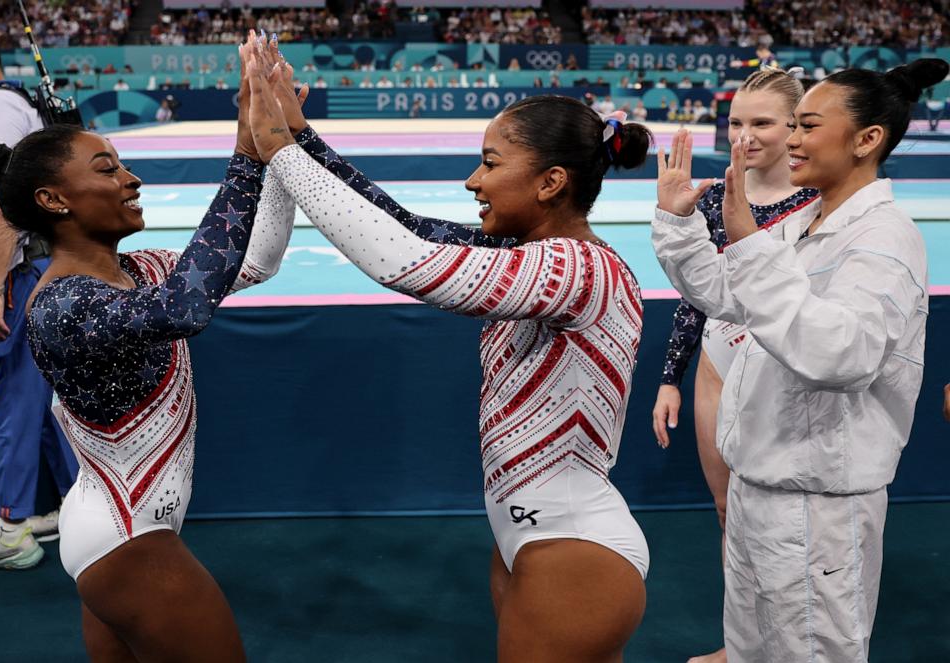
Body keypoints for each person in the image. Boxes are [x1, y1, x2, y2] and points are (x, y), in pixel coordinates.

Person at [249, 43, 651, 662]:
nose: (473, 181)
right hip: (535, 533)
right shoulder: (528, 254)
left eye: (490, 163)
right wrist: (303, 140)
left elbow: (403, 260)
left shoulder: (576, 268)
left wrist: (276, 151)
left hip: (573, 544)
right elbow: (407, 226)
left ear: (551, 182)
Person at [0, 40, 296, 659]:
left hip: (120, 523)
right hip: (126, 536)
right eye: (107, 169)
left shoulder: (143, 269)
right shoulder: (63, 305)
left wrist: (284, 152)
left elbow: (258, 259)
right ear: (53, 200)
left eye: (122, 164)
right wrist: (247, 155)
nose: (132, 179)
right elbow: (186, 309)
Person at [652, 58, 947, 661]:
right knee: (751, 648)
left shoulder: (885, 239)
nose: (791, 139)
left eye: (807, 125)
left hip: (818, 504)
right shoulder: (809, 224)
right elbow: (724, 298)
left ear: (867, 140)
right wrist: (681, 225)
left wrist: (753, 246)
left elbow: (839, 355)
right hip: (760, 483)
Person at [650, 68, 819, 663]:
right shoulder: (718, 198)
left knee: (781, 520)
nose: (745, 136)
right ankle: (740, 645)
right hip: (716, 372)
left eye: (762, 123)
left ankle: (790, 644)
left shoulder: (819, 203)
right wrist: (672, 375)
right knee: (729, 516)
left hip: (780, 371)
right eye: (736, 123)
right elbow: (701, 293)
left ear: (797, 128)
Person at [0, 15, 78, 571]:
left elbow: (2, 198)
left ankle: (11, 529)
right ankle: (76, 507)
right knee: (44, 402)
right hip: (32, 271)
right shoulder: (3, 104)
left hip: (16, 276)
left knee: (12, 402)